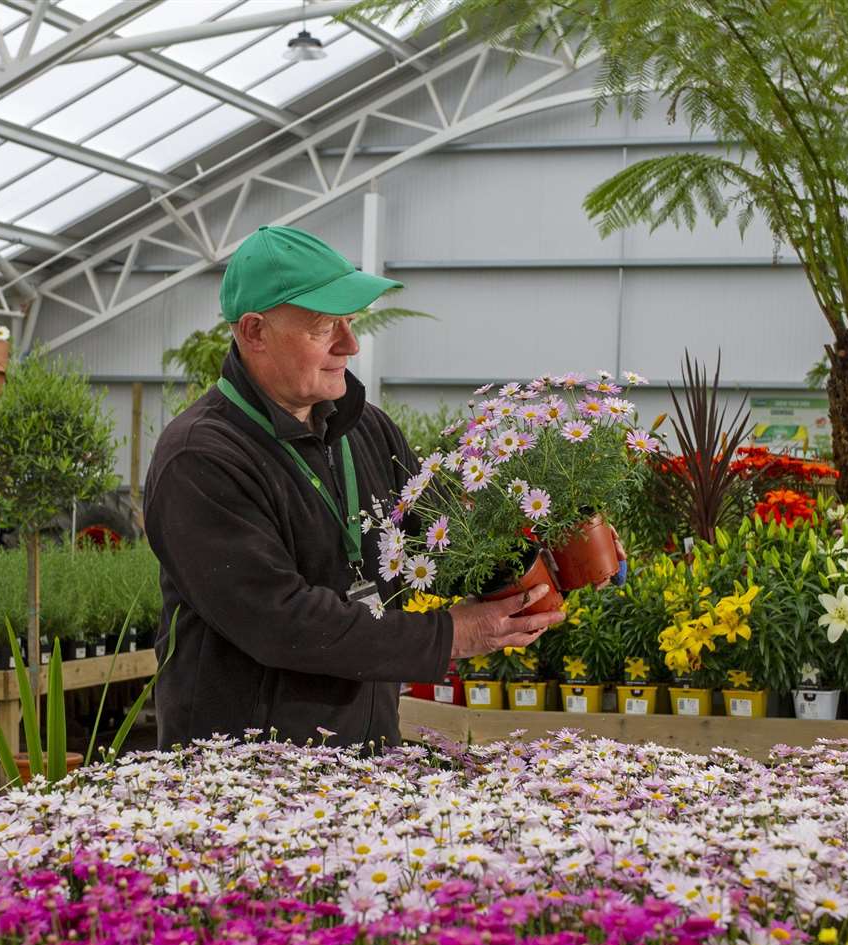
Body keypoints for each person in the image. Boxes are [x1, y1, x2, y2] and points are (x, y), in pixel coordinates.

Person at [144, 225, 564, 750]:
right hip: (242, 769)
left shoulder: (365, 427)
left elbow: (443, 540)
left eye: (349, 322)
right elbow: (283, 621)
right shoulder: (201, 458)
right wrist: (451, 634)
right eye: (324, 327)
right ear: (254, 332)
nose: (351, 344)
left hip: (361, 754)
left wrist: (549, 555)